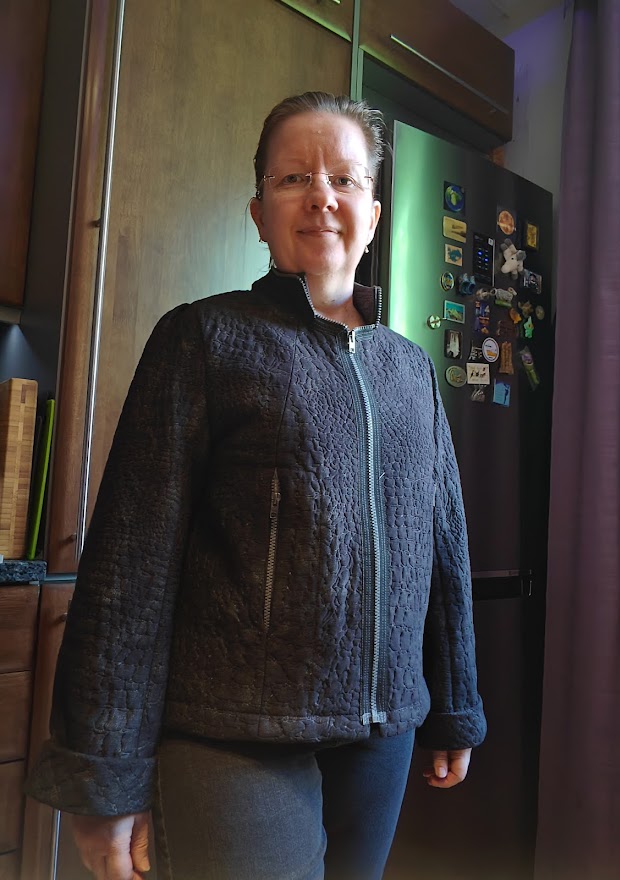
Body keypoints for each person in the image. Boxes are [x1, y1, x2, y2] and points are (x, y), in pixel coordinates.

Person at [26, 91, 486, 880]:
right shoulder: (202, 339)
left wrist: (455, 705)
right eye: (293, 178)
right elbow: (131, 563)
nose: (320, 196)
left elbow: (443, 548)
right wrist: (101, 775)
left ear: (374, 216)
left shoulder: (412, 370)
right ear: (259, 213)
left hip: (381, 738)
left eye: (344, 179)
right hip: (229, 734)